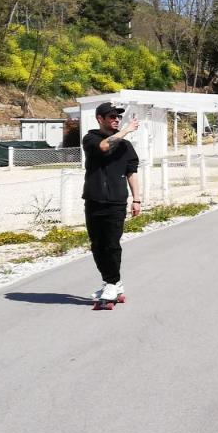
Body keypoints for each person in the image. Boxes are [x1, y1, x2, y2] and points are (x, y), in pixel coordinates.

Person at [82, 102, 141, 308]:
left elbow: (131, 173)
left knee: (112, 244)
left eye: (118, 117)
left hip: (116, 202)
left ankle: (111, 282)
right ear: (100, 119)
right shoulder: (90, 139)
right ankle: (113, 282)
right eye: (112, 117)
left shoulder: (126, 146)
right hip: (93, 200)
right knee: (97, 246)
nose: (116, 120)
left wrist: (136, 199)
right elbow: (104, 147)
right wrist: (126, 130)